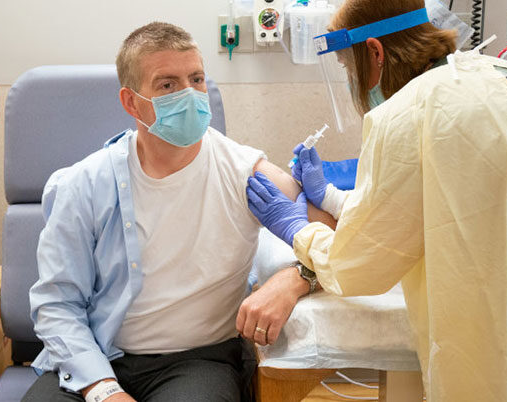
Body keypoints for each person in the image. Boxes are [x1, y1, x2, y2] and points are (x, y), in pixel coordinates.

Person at [23, 22, 335, 402]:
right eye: (167, 85)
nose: (189, 94)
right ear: (131, 102)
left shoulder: (243, 170)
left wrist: (294, 279)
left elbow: (337, 237)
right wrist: (103, 390)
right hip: (97, 354)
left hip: (197, 361)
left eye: (197, 78)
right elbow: (56, 303)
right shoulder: (84, 184)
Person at [246, 0, 507, 400]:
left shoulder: (405, 114)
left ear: (375, 53)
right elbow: (446, 203)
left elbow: (360, 264)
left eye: (350, 70)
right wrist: (330, 198)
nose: (353, 83)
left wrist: (299, 229)